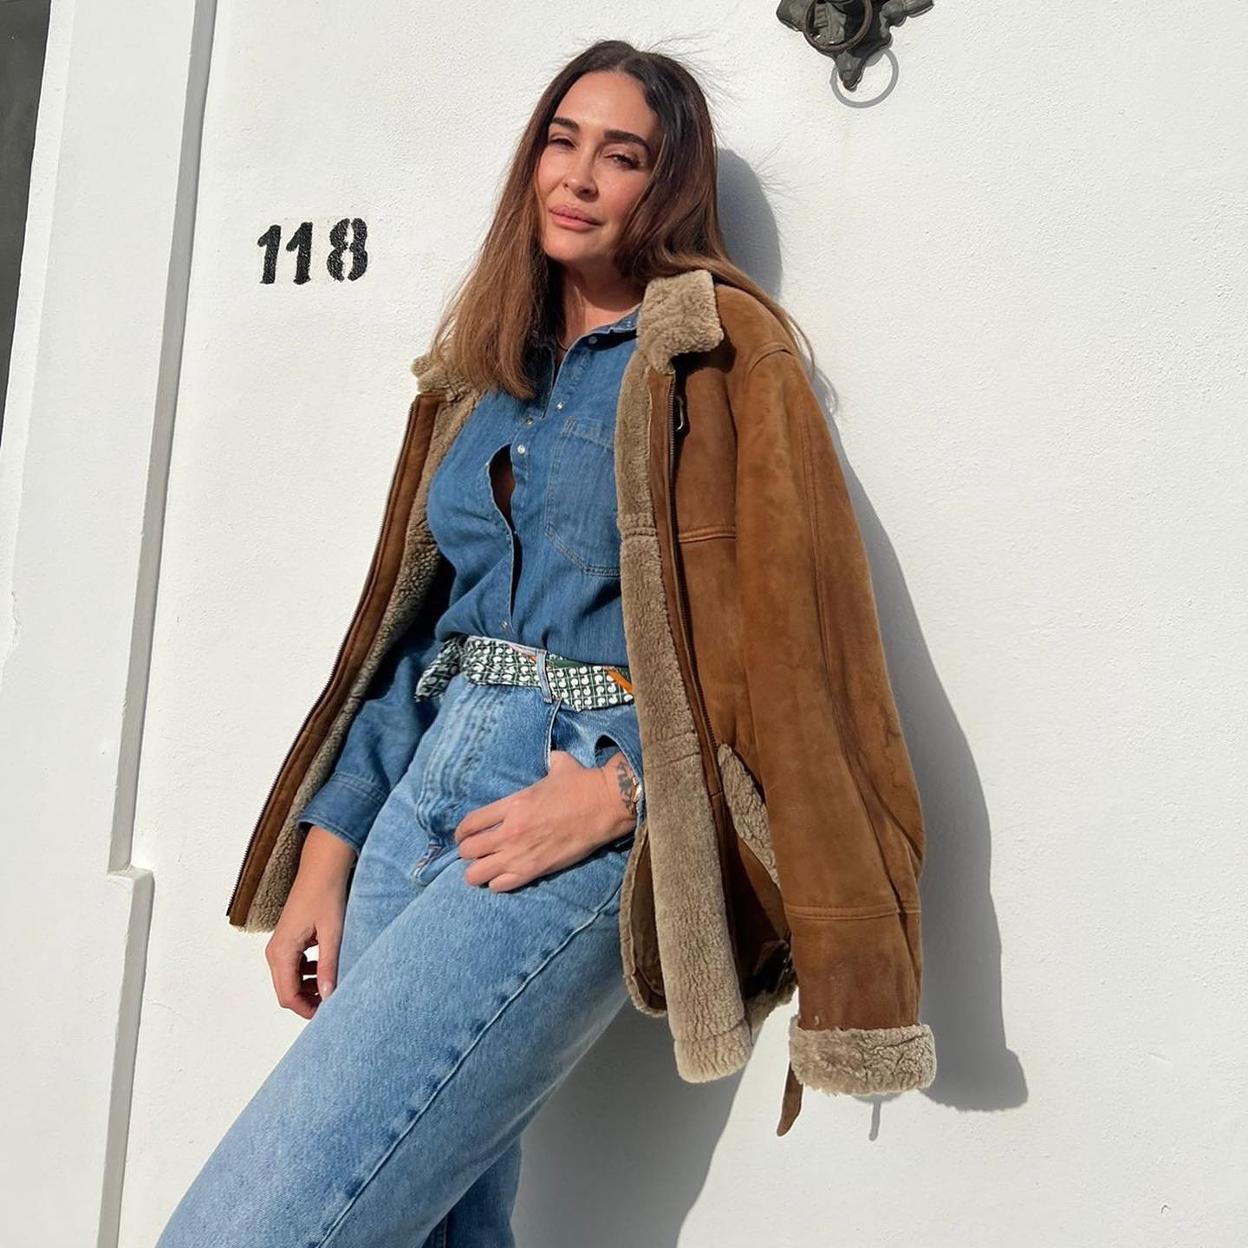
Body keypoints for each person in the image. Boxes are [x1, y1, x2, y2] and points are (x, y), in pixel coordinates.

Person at [162, 37, 934, 1248]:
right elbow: (416, 634)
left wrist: (629, 792)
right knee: (433, 1222)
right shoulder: (480, 370)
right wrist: (329, 842)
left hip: (575, 797)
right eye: (561, 143)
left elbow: (799, 650)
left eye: (621, 156)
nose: (577, 176)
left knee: (267, 1217)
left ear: (668, 186)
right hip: (418, 795)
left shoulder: (718, 355)